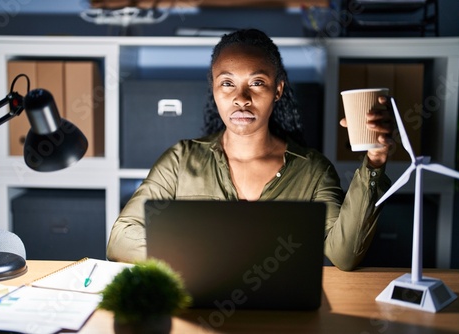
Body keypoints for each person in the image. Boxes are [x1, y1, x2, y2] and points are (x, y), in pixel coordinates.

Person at [107, 28, 394, 271]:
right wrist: (202, 257)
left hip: (280, 313)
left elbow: (344, 255)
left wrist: (375, 161)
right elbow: (120, 239)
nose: (241, 98)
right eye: (227, 83)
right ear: (214, 90)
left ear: (278, 90)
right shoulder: (180, 161)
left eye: (257, 83)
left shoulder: (312, 170)